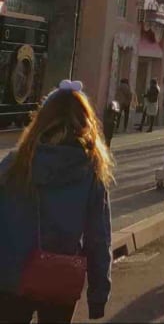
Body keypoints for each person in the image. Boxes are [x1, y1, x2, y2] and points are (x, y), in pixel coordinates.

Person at [0, 80, 113, 322]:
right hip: (60, 276)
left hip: (10, 274)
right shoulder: (90, 170)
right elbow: (98, 237)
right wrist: (98, 294)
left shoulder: (15, 163)